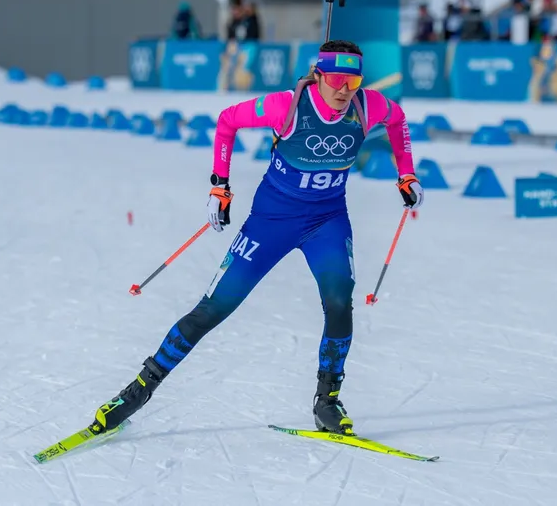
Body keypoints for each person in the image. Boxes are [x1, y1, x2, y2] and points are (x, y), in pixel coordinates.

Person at [89, 39, 423, 437]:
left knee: (338, 303)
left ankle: (327, 401)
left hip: (327, 221)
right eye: (335, 79)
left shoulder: (367, 106)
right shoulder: (288, 105)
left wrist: (406, 173)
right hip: (271, 221)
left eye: (352, 80)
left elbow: (399, 121)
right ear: (318, 76)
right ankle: (137, 392)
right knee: (212, 310)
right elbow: (228, 120)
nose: (343, 89)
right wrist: (220, 186)